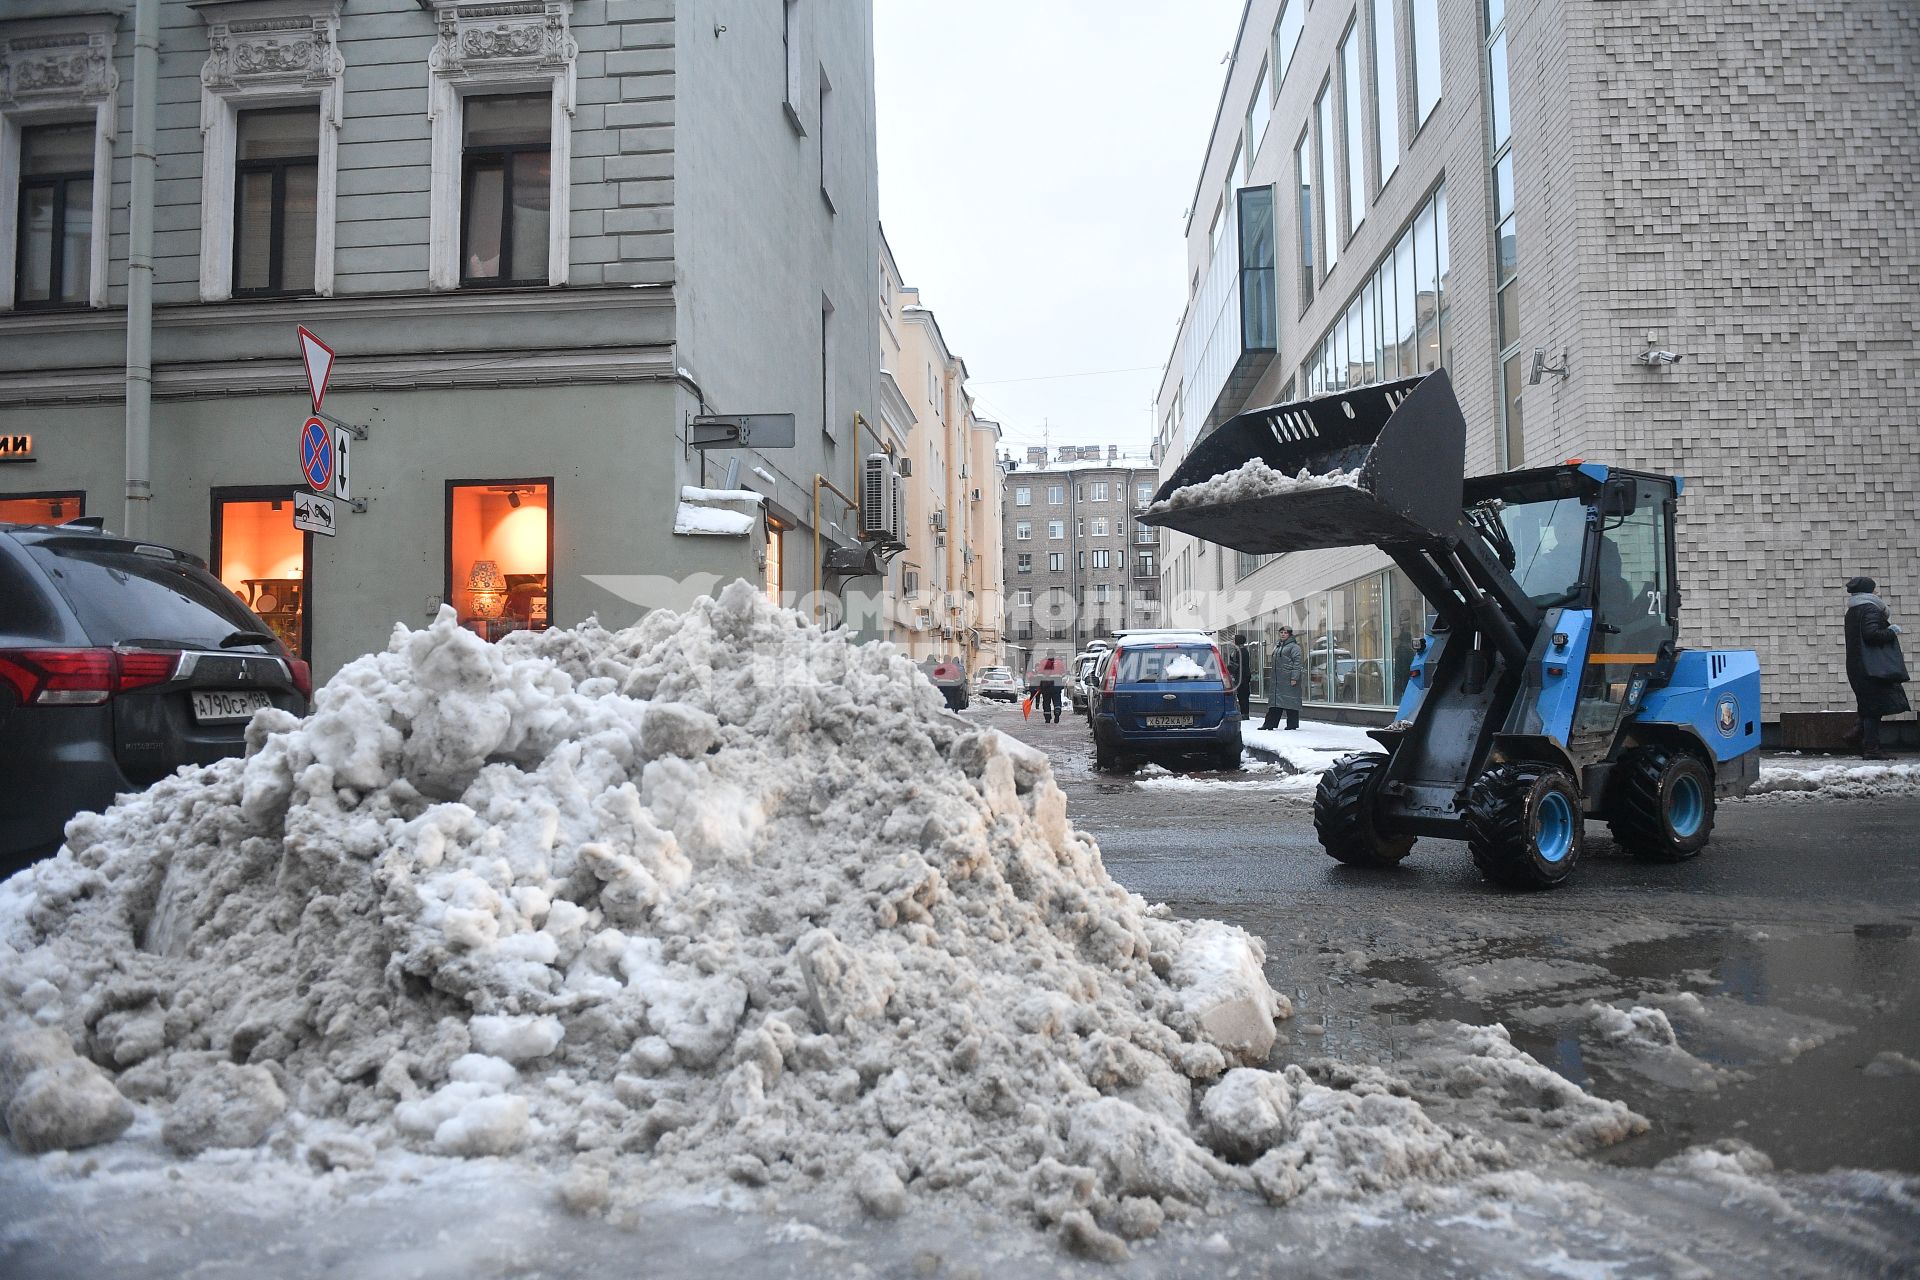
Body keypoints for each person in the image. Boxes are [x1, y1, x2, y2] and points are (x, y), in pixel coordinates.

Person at [1842, 576, 1909, 760]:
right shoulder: (1869, 608)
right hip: (1872, 667)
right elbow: (1872, 635)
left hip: (1859, 665)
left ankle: (1856, 735)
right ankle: (1871, 748)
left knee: (1868, 705)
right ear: (1868, 591)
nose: (1877, 592)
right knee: (1873, 708)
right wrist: (1891, 631)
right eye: (1874, 589)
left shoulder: (1853, 610)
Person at [1262, 626, 1304, 730]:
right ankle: (1269, 724)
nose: (1283, 634)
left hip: (1288, 678)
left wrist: (1294, 677)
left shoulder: (1294, 647)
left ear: (1289, 634)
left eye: (1285, 632)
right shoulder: (1277, 646)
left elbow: (1297, 663)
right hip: (1277, 680)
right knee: (1275, 703)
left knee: (1291, 702)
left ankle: (1292, 724)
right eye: (1281, 632)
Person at [1029, 655, 1066, 724]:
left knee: (1046, 701)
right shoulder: (1059, 663)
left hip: (1046, 686)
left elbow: (1039, 675)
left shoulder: (1043, 662)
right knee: (1057, 700)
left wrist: (1038, 685)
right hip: (1056, 685)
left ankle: (1047, 718)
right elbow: (1063, 674)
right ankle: (1057, 711)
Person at [1231, 634, 1252, 719]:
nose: (1232, 641)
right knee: (1242, 695)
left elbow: (1238, 665)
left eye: (1233, 640)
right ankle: (1243, 713)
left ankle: (1244, 713)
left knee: (1243, 695)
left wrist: (1230, 669)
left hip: (1242, 676)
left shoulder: (1241, 651)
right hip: (1241, 675)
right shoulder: (1239, 650)